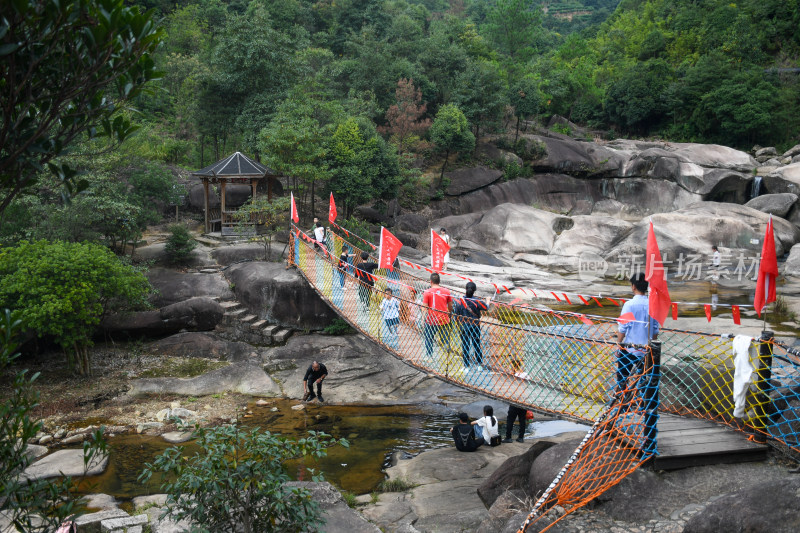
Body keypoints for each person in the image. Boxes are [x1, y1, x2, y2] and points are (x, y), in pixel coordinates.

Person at [615, 273, 660, 397]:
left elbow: (623, 327)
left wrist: (619, 345)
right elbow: (655, 329)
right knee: (645, 378)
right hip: (647, 349)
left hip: (629, 348)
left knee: (622, 376)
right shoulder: (653, 304)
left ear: (633, 286)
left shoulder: (629, 305)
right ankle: (643, 405)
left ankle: (622, 402)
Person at [453, 282, 488, 371]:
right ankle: (479, 365)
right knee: (476, 344)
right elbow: (486, 307)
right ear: (474, 290)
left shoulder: (460, 301)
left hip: (464, 325)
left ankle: (466, 366)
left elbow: (456, 315)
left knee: (465, 345)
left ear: (466, 289)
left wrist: (458, 323)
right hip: (475, 325)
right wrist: (488, 300)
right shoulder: (477, 301)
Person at [422, 272, 453, 358]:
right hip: (444, 320)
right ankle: (447, 358)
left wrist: (423, 319)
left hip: (431, 320)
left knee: (429, 339)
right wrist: (449, 314)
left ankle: (429, 357)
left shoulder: (427, 292)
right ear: (439, 281)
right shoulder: (447, 291)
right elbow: (450, 306)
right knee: (445, 340)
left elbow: (425, 307)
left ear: (431, 281)